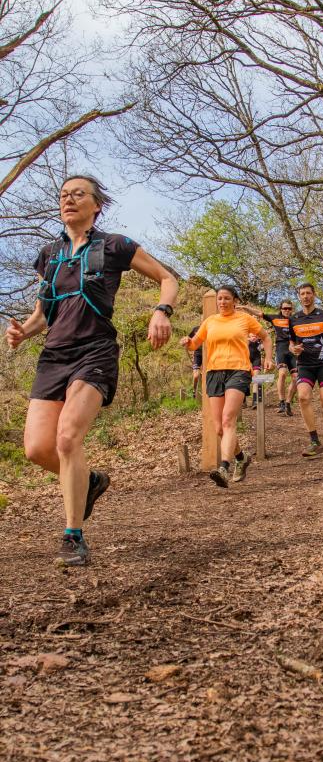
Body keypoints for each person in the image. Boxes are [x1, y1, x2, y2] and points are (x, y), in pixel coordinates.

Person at [5, 174, 178, 567]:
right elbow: (43, 314)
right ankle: (92, 481)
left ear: (96, 204)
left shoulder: (114, 245)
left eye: (78, 194)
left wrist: (160, 311)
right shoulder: (49, 255)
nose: (69, 200)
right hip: (53, 356)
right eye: (64, 195)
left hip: (95, 351)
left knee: (67, 438)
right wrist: (22, 333)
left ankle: (73, 536)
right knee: (36, 448)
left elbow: (168, 279)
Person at [181, 286, 273, 488]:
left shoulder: (244, 319)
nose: (222, 302)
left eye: (226, 299)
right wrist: (187, 342)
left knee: (228, 419)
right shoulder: (210, 321)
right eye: (220, 299)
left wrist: (268, 357)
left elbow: (266, 337)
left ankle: (224, 467)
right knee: (219, 428)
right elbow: (195, 344)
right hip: (214, 372)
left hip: (238, 371)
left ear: (234, 300)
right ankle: (241, 457)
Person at [289, 283, 323, 458]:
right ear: (298, 297)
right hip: (304, 365)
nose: (305, 296)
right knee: (303, 397)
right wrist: (293, 350)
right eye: (302, 294)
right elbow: (291, 343)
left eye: (308, 293)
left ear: (314, 295)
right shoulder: (294, 319)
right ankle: (315, 442)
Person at [239, 300, 298, 416]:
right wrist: (246, 308)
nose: (287, 310)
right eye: (285, 308)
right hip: (281, 348)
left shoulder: (296, 319)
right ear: (281, 309)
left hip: (293, 349)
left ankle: (288, 403)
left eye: (289, 308)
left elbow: (310, 316)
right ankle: (281, 402)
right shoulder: (275, 318)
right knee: (282, 374)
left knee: (296, 378)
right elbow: (259, 313)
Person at [188, 326, 203, 398]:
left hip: (208, 353)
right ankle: (194, 390)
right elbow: (189, 339)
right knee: (196, 376)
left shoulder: (210, 326)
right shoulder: (195, 329)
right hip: (198, 354)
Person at [248, 333, 262, 409]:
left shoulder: (259, 340)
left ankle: (255, 401)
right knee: (246, 380)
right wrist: (248, 340)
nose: (254, 337)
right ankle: (243, 401)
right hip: (247, 359)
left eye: (255, 336)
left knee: (255, 379)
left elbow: (266, 339)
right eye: (253, 336)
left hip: (256, 359)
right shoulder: (246, 339)